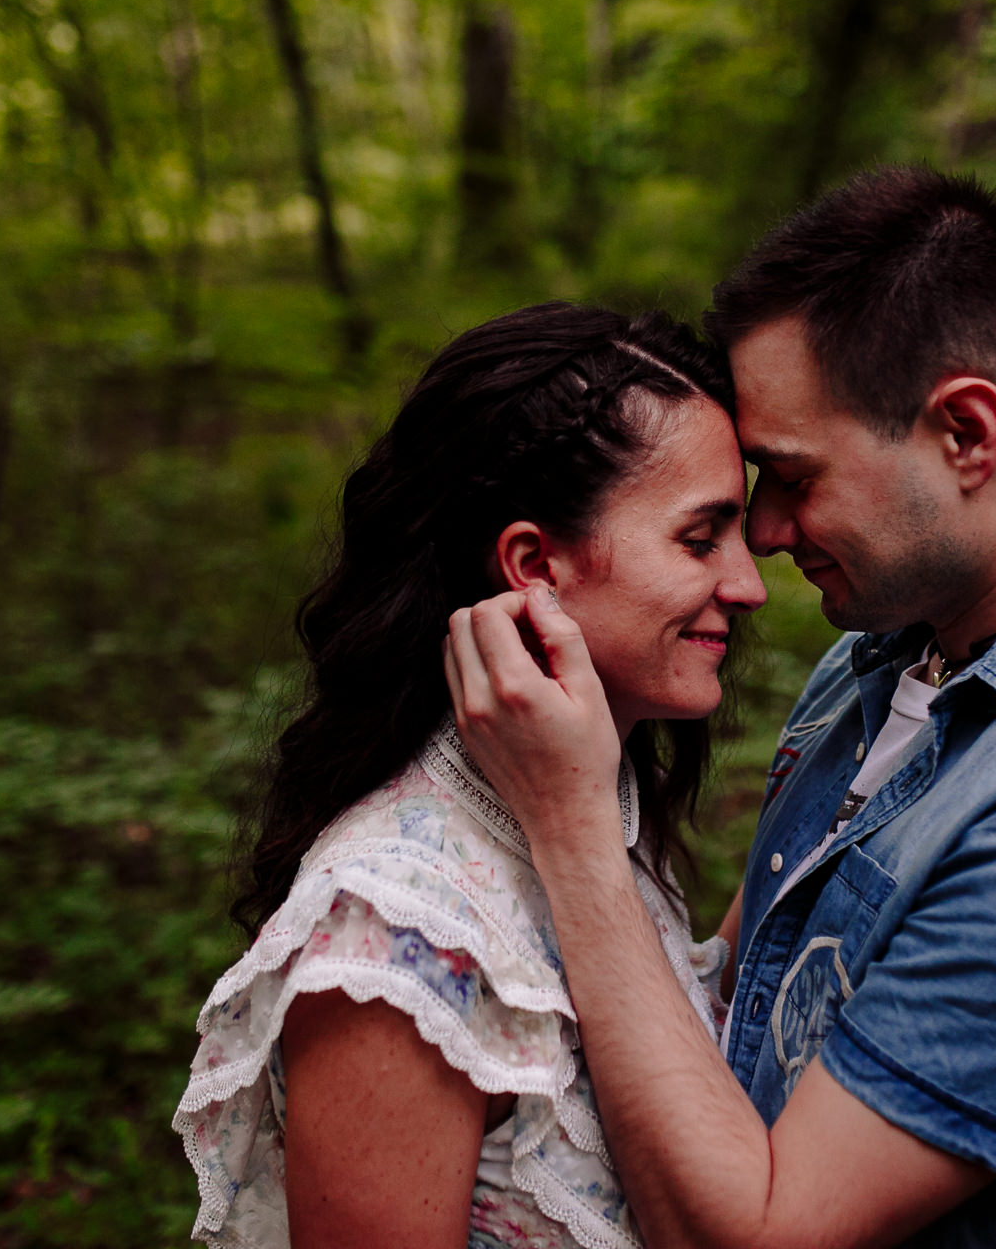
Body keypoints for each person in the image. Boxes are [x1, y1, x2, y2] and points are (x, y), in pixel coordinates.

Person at [444, 167, 996, 1248]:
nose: (770, 531)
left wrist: (570, 828)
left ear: (969, 434)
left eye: (792, 475)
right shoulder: (879, 658)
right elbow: (737, 1014)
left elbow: (757, 1235)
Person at [173, 302, 768, 1249]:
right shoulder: (393, 941)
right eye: (701, 539)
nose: (749, 584)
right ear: (533, 565)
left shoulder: (581, 806)